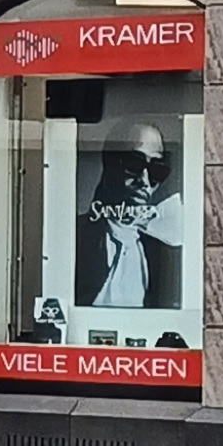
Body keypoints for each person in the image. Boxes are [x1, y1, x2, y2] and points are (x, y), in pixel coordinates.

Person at [74, 123, 183, 309]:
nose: (145, 181)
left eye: (157, 169)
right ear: (110, 162)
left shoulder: (165, 247)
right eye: (134, 163)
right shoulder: (76, 235)